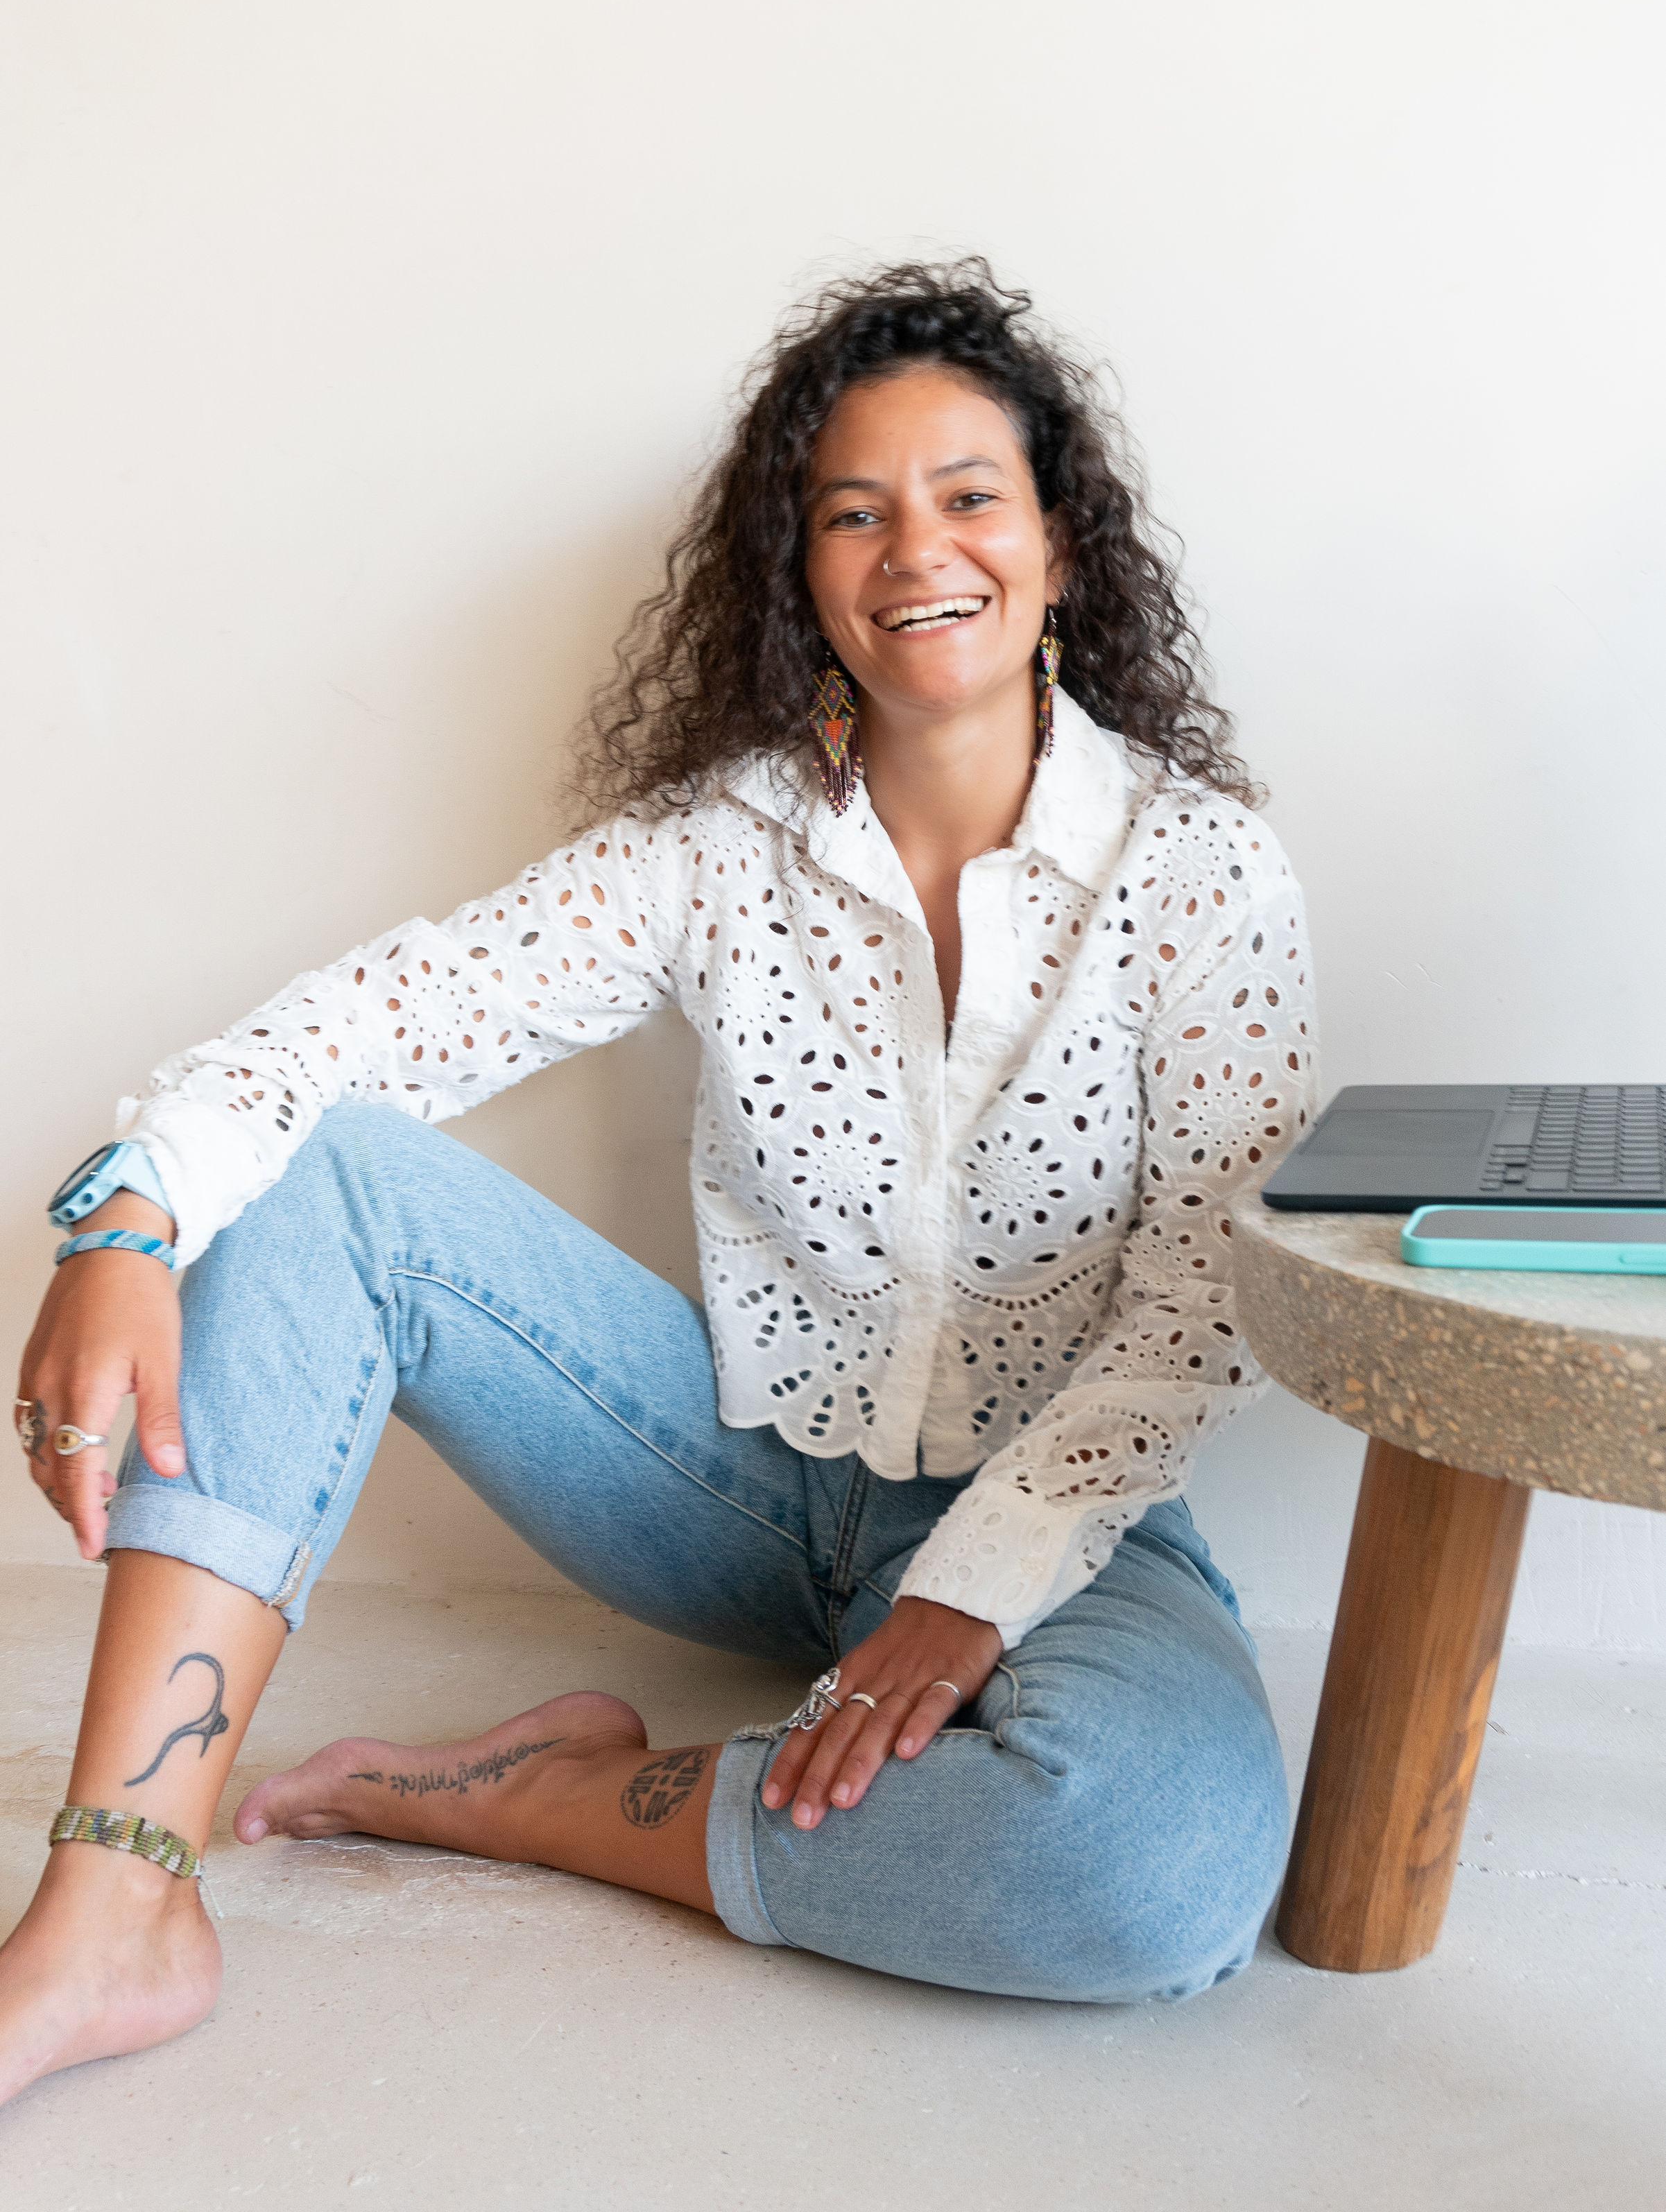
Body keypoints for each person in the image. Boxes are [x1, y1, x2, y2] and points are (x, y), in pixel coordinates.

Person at [3, 261, 1316, 2103]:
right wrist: (130, 1210)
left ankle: (550, 1800)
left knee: (1147, 1878)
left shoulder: (1201, 875)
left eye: (965, 497)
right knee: (319, 1176)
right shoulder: (725, 848)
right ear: (799, 577)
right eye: (850, 512)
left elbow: (1201, 1297)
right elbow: (395, 1017)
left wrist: (978, 1587)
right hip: (746, 1483)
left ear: (1059, 544)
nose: (911, 549)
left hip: (1064, 1527)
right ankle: (113, 1912)